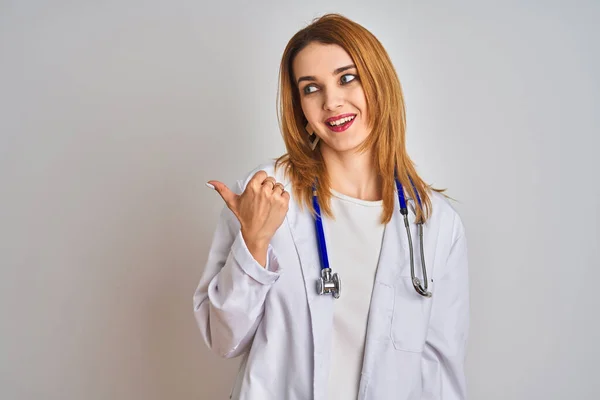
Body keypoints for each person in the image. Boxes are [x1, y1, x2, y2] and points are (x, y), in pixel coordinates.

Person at [194, 13, 469, 400]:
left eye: (347, 78)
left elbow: (441, 373)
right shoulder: (267, 193)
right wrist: (253, 245)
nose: (331, 102)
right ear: (300, 107)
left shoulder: (435, 224)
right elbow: (224, 339)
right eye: (311, 88)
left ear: (378, 82)